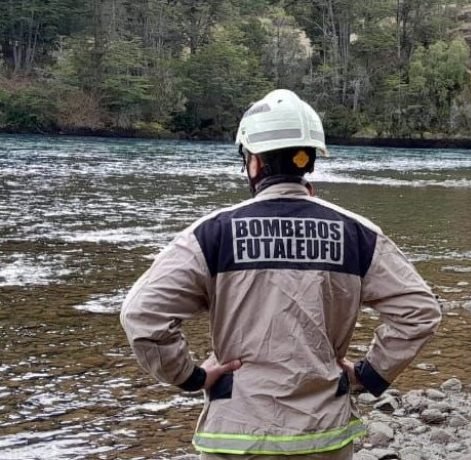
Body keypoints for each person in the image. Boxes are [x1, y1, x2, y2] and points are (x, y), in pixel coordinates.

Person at [120, 89, 442, 459]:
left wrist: (190, 376)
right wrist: (368, 374)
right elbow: (420, 311)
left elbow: (142, 316)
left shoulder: (211, 233)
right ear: (309, 162)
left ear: (253, 162)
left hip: (235, 435)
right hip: (323, 434)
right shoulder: (357, 233)